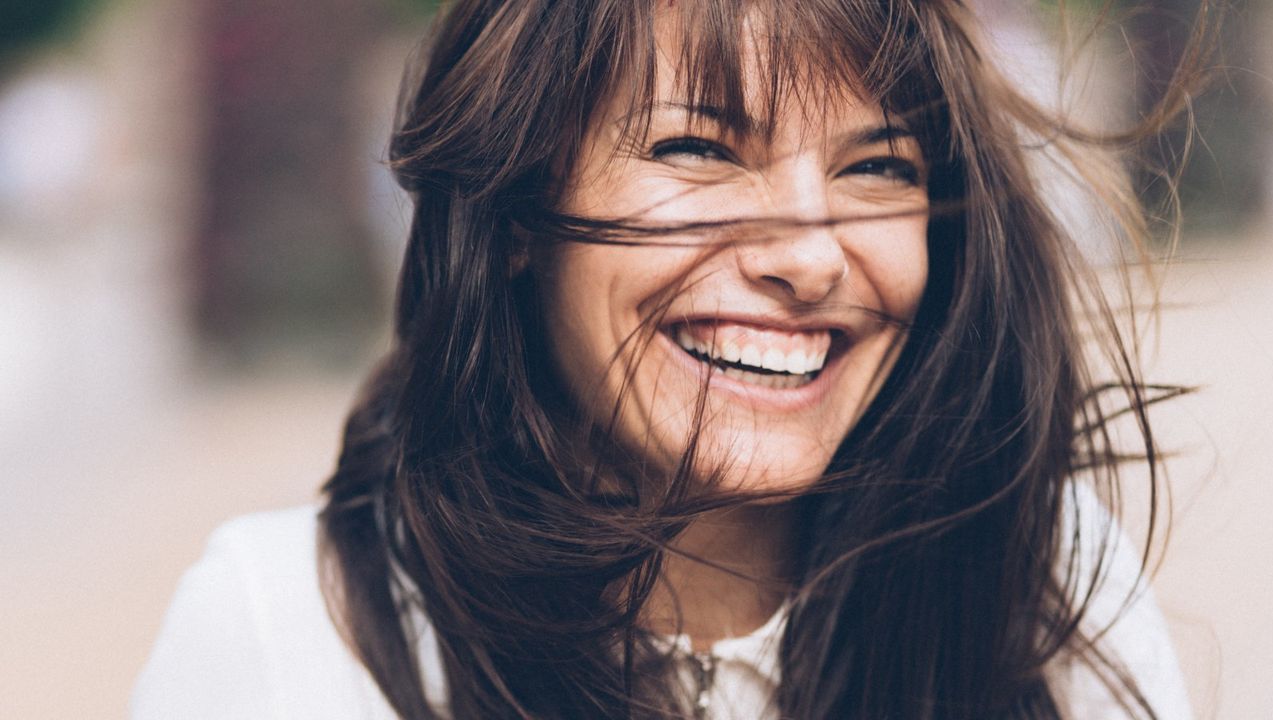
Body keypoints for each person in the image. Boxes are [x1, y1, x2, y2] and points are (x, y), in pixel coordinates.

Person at [133, 1, 1205, 718]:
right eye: (695, 149)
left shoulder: (1045, 582)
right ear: (516, 212)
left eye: (876, 166)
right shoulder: (289, 638)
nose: (805, 253)